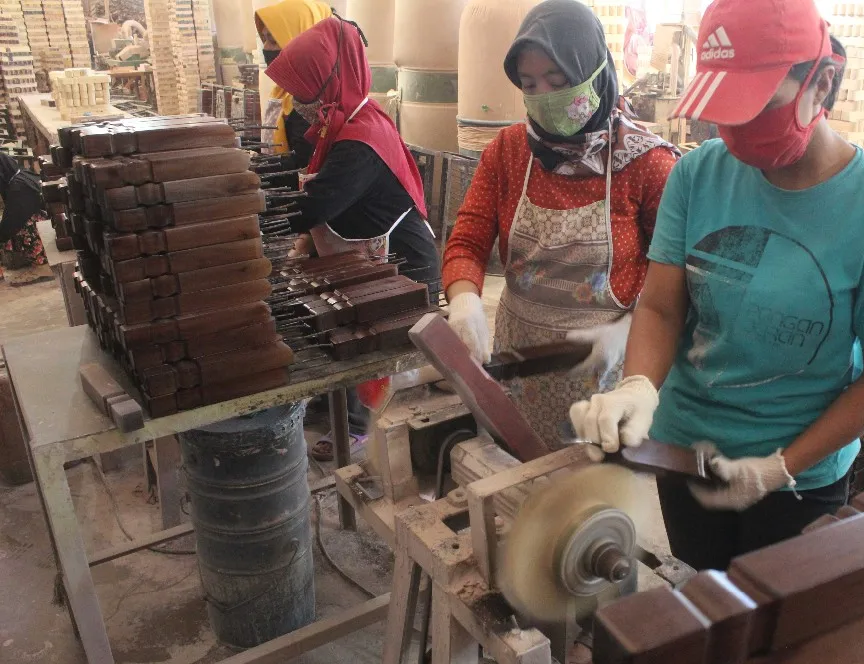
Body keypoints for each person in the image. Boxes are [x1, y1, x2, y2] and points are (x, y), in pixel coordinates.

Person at [570, 0, 864, 571]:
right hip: (685, 452)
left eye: (758, 107)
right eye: (723, 111)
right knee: (697, 594)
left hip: (798, 477)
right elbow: (662, 308)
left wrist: (781, 467)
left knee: (775, 617)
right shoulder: (697, 175)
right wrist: (637, 387)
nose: (735, 133)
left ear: (822, 82)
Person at [442, 0, 680, 448]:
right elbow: (467, 241)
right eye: (530, 84)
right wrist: (465, 300)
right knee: (522, 469)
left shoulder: (647, 165)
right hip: (520, 364)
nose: (545, 98)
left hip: (608, 378)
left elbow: (675, 283)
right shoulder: (509, 151)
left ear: (594, 71)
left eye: (559, 80)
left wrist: (628, 332)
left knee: (596, 484)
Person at [266, 17, 442, 458]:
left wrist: (253, 210)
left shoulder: (362, 138)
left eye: (304, 93)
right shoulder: (343, 122)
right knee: (335, 323)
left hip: (402, 264)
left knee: (362, 338)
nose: (298, 104)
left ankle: (357, 425)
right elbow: (311, 185)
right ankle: (334, 406)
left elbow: (313, 207)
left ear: (330, 82)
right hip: (366, 251)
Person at [255, 0, 332, 165]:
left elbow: (302, 164)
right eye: (264, 39)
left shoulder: (311, 99)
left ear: (300, 41)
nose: (265, 48)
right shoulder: (283, 90)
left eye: (274, 41)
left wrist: (255, 169)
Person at [0, 154, 48, 286]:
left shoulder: (18, 186)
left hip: (43, 225)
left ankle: (43, 269)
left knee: (21, 228)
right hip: (44, 219)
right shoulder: (20, 176)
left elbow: (13, 219)